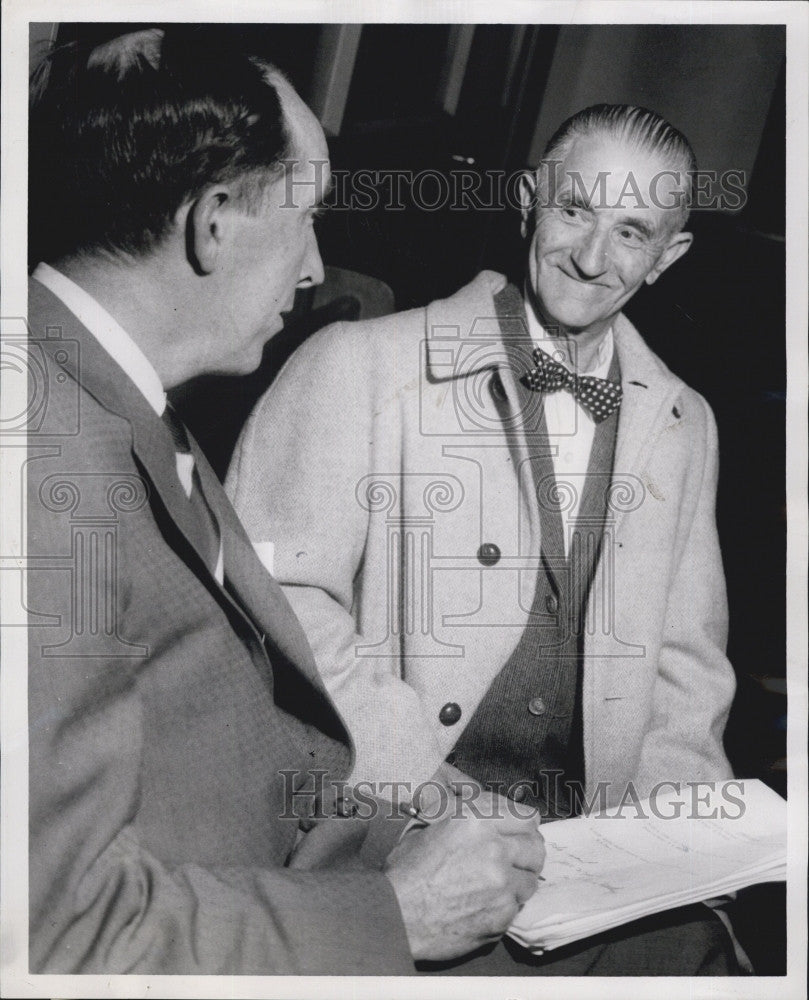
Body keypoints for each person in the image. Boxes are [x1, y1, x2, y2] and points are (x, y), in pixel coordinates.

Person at [25, 27, 547, 975]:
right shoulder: (39, 462)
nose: (314, 269)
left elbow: (235, 729)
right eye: (305, 217)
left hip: (299, 871)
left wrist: (428, 812)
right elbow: (59, 936)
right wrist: (399, 912)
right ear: (213, 219)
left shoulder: (111, 392)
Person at [227, 104, 741, 973]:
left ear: (668, 257)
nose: (590, 257)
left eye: (631, 232)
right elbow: (278, 607)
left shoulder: (684, 422)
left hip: (585, 866)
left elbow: (683, 679)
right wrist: (420, 780)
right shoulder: (361, 365)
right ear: (527, 200)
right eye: (574, 210)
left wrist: (683, 860)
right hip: (392, 838)